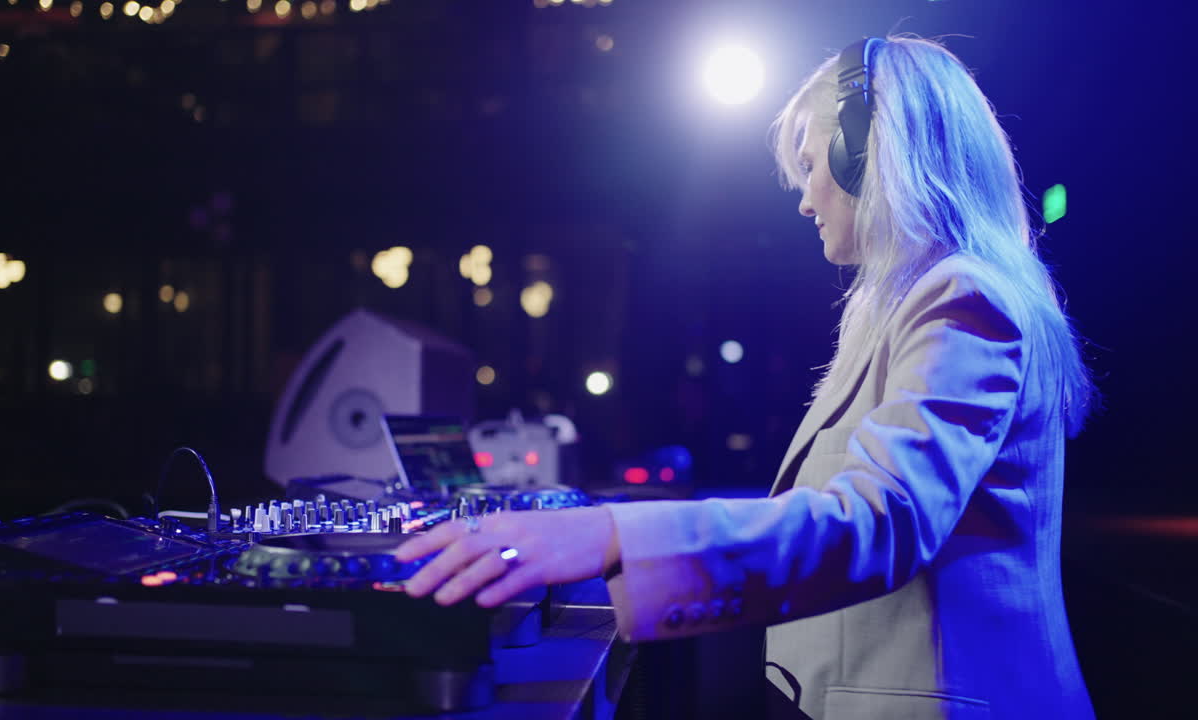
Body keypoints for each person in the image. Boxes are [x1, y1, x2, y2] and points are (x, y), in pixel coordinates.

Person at [396, 35, 1097, 719]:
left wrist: (611, 535)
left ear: (867, 155)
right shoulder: (920, 301)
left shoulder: (959, 297)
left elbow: (881, 520)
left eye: (813, 163)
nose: (805, 200)